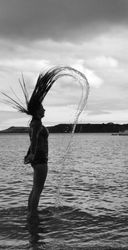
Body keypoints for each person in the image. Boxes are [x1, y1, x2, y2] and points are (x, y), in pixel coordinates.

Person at [2, 67, 80, 216]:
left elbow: (33, 141)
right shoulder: (37, 124)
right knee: (38, 189)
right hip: (40, 160)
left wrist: (29, 155)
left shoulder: (34, 124)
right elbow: (35, 140)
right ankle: (33, 215)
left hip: (36, 159)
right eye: (43, 108)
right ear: (38, 111)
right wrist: (32, 155)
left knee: (35, 188)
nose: (45, 110)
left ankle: (30, 212)